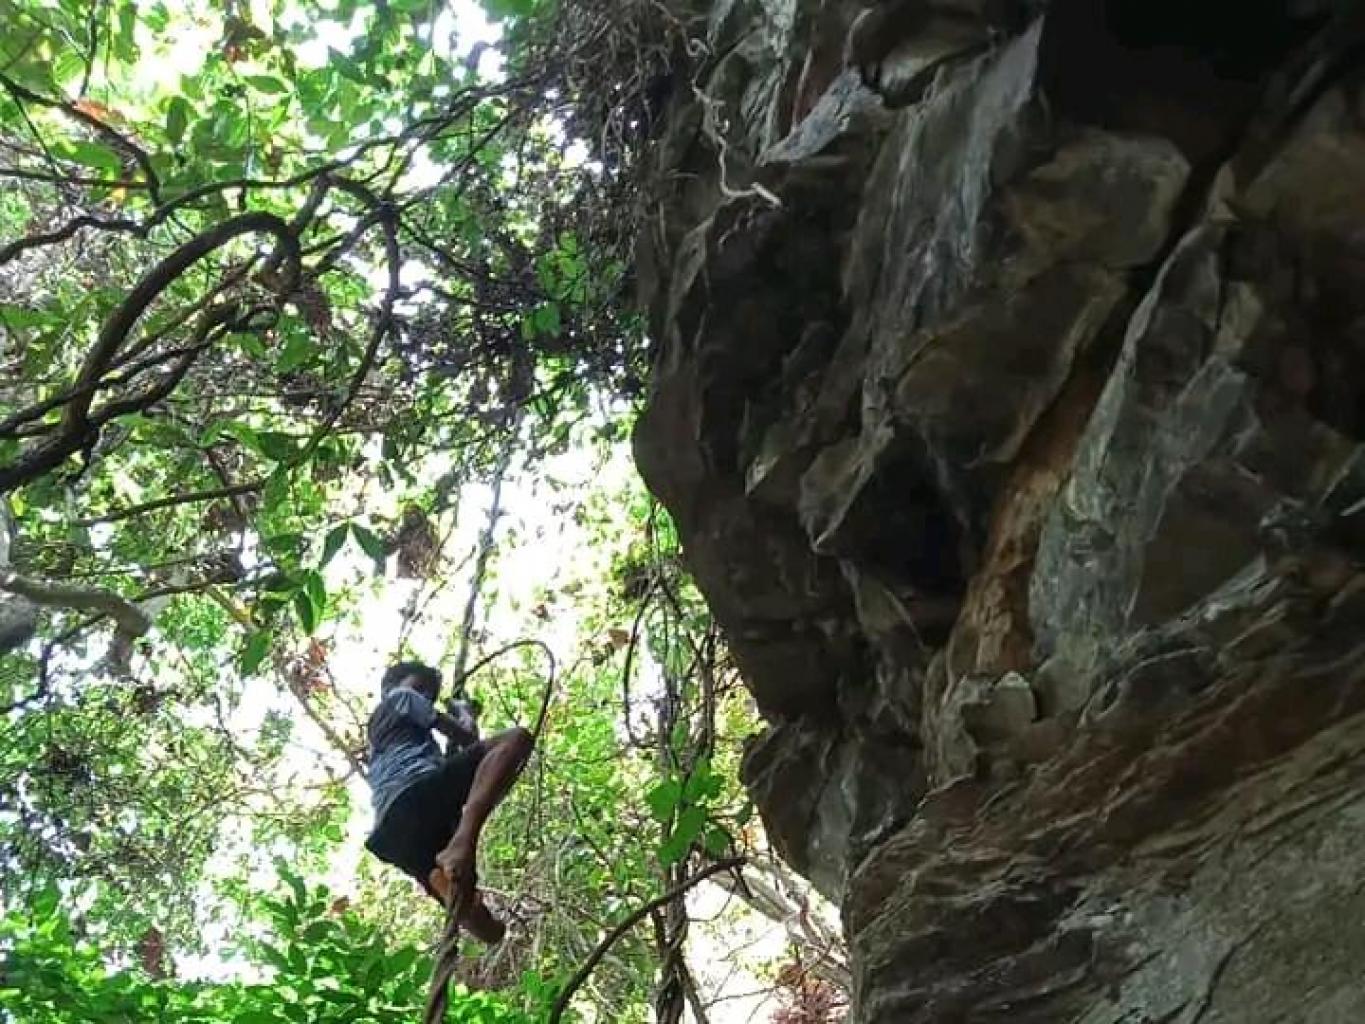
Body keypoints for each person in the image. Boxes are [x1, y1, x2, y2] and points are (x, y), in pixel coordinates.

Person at [363, 660, 533, 943]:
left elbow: (455, 760)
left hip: (393, 831)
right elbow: (467, 737)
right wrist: (465, 712)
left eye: (429, 695)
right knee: (515, 739)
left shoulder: (383, 736)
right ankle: (463, 840)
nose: (423, 697)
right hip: (415, 793)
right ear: (390, 687)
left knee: (490, 931)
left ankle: (447, 885)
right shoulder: (400, 697)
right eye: (419, 688)